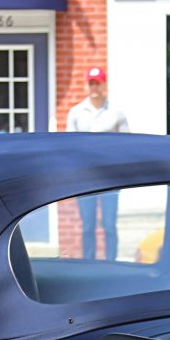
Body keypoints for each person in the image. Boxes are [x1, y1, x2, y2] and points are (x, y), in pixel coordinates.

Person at [66, 66, 130, 260]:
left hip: (111, 178)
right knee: (88, 226)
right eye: (91, 83)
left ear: (104, 85)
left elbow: (127, 144)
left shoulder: (116, 113)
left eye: (98, 83)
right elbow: (69, 145)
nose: (94, 87)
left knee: (109, 225)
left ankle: (112, 263)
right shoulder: (76, 112)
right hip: (86, 178)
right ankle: (89, 263)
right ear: (87, 85)